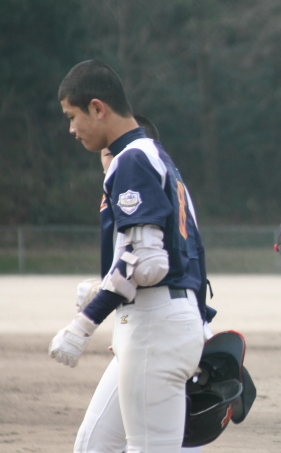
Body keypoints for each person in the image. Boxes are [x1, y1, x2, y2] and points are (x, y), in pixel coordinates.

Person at [49, 60, 206, 453]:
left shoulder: (132, 158)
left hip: (156, 324)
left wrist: (83, 324)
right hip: (159, 321)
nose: (71, 129)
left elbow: (147, 263)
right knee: (93, 446)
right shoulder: (155, 155)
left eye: (72, 116)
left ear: (97, 108)